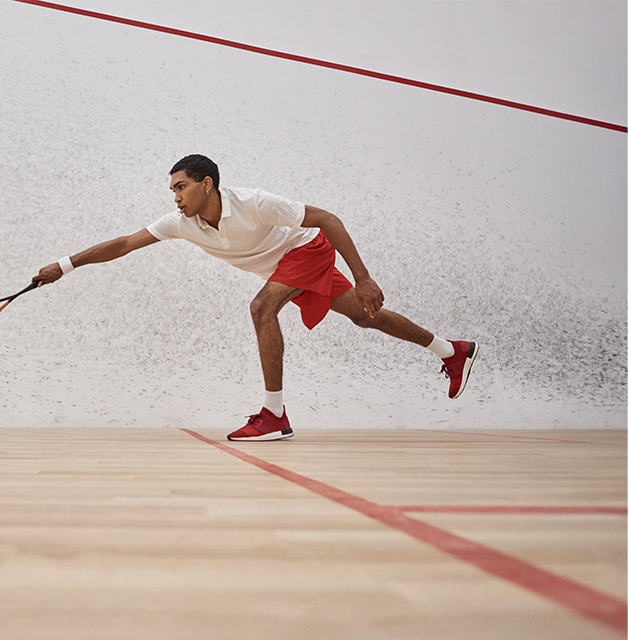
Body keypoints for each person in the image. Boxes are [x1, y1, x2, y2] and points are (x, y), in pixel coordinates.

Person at [33, 155, 478, 441]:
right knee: (365, 318)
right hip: (286, 269)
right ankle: (452, 350)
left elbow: (328, 219)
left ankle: (274, 415)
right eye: (172, 189)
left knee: (261, 308)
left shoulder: (255, 203)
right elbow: (125, 244)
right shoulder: (180, 222)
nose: (175, 197)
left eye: (181, 187)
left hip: (306, 250)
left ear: (207, 184)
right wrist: (65, 264)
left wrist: (363, 276)